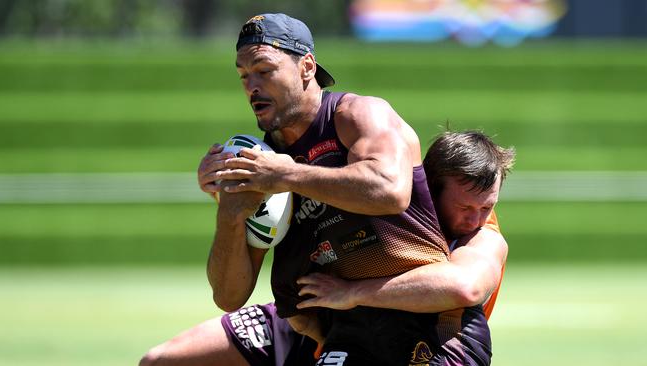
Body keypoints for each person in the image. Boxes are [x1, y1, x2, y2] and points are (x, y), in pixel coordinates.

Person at [140, 12, 511, 365]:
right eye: (244, 76)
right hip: (341, 329)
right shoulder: (263, 162)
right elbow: (228, 295)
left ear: (307, 67)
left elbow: (390, 190)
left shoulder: (357, 116)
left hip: (430, 332)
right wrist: (230, 212)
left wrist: (286, 175)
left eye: (265, 71)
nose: (253, 86)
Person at [140, 130, 515, 366]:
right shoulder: (390, 197)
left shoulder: (484, 237)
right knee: (161, 360)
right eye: (466, 207)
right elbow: (304, 205)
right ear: (428, 188)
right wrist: (226, 180)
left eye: (487, 205)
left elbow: (465, 287)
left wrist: (352, 293)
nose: (478, 218)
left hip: (395, 338)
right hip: (309, 312)